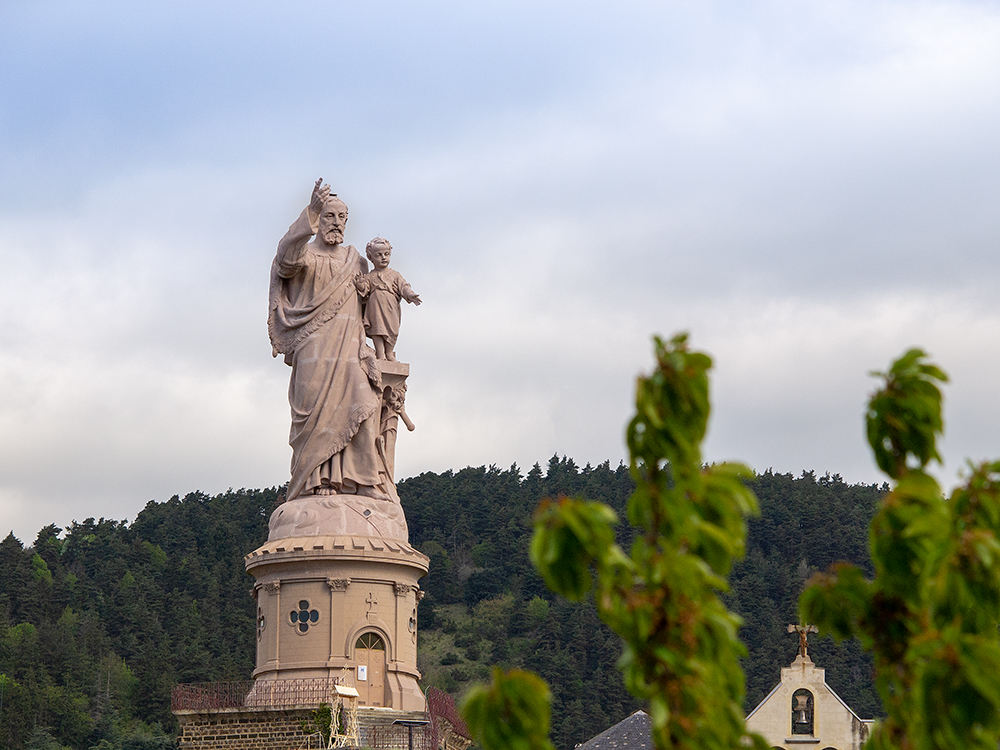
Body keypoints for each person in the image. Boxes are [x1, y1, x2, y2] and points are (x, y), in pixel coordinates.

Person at [267, 179, 388, 501]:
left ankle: (363, 479)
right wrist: (311, 210)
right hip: (313, 347)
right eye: (329, 216)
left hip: (350, 347)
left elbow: (370, 301)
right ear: (317, 220)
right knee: (314, 416)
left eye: (341, 217)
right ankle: (315, 480)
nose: (336, 223)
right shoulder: (304, 257)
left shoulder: (355, 260)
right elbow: (285, 258)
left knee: (363, 404)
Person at [354, 237, 421, 361]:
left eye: (386, 254)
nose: (383, 257)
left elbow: (404, 286)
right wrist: (360, 284)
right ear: (371, 258)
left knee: (392, 329)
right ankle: (380, 354)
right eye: (379, 255)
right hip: (375, 308)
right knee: (377, 329)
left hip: (391, 308)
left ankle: (389, 353)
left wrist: (410, 294)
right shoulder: (370, 276)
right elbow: (364, 291)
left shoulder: (395, 275)